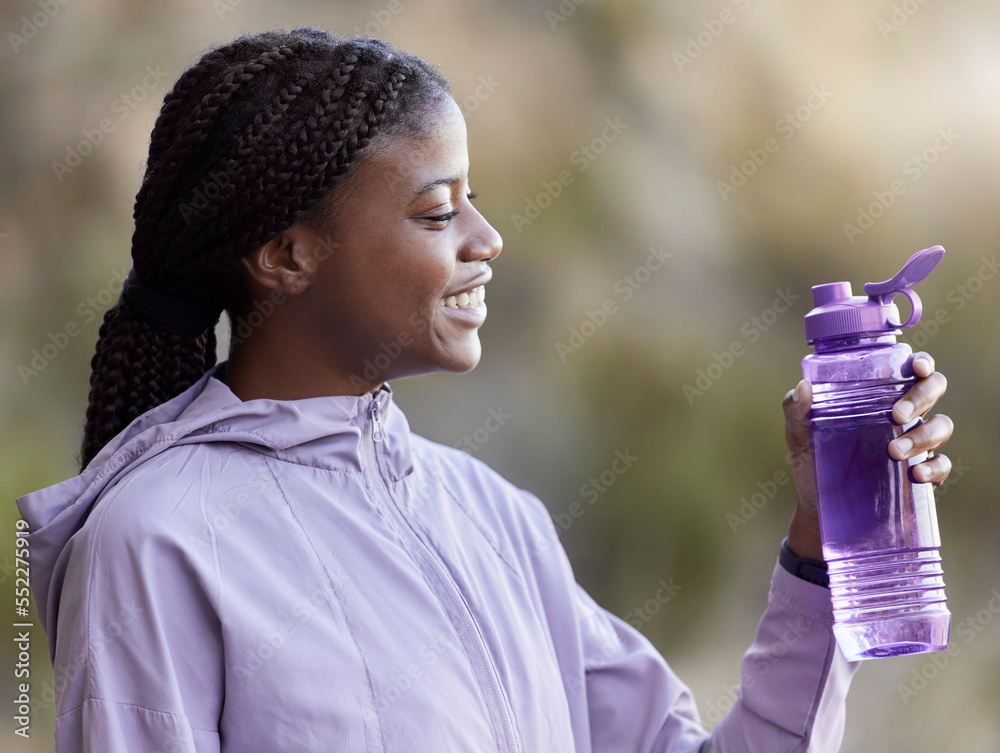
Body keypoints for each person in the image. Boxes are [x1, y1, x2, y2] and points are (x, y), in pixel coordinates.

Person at [16, 27, 954, 753]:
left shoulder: (494, 517)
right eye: (435, 210)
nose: (486, 236)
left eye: (473, 197)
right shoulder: (155, 538)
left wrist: (823, 539)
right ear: (286, 255)